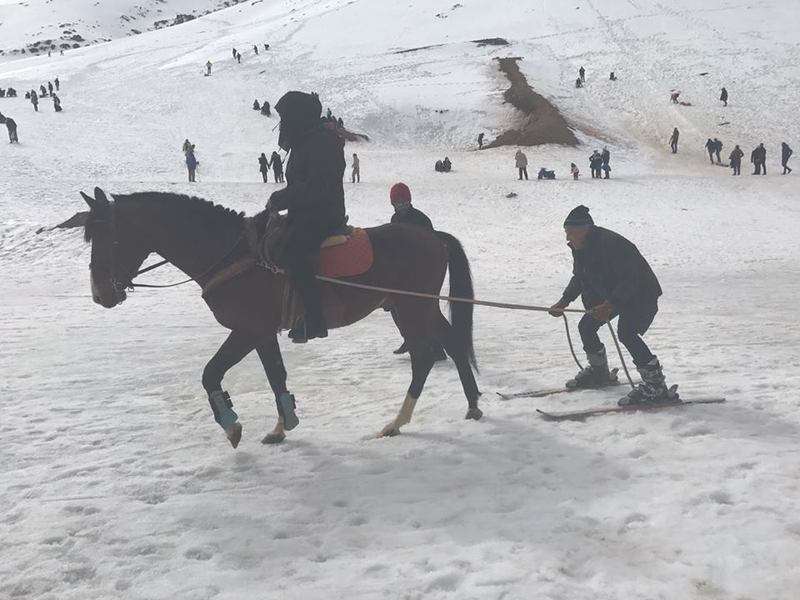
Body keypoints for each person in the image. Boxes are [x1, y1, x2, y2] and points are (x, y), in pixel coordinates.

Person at [549, 205, 670, 405]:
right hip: (613, 295)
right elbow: (580, 277)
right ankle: (599, 372)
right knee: (587, 326)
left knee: (627, 333)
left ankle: (656, 386)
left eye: (570, 232)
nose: (567, 238)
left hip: (641, 293)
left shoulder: (612, 244)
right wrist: (564, 300)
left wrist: (610, 304)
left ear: (584, 229)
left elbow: (631, 279)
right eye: (566, 232)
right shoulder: (581, 247)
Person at [266, 91, 346, 343]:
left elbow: (316, 187)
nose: (283, 124)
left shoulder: (320, 142)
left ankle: (314, 318)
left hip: (322, 214)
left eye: (286, 117)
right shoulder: (307, 140)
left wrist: (282, 198)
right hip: (306, 212)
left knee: (296, 253)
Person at [387, 182, 446, 360]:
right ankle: (409, 337)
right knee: (393, 306)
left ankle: (438, 348)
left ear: (409, 200)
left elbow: (430, 247)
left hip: (422, 274)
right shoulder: (395, 220)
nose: (400, 206)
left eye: (403, 202)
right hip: (403, 274)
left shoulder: (420, 219)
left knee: (424, 311)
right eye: (396, 203)